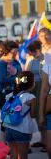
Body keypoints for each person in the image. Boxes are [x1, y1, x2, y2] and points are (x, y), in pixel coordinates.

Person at [3, 71, 37, 159]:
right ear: (31, 84)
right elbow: (33, 115)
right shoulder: (31, 97)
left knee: (13, 154)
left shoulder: (10, 95)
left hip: (9, 127)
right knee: (23, 156)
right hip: (23, 129)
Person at [26, 40, 46, 151]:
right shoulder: (32, 61)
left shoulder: (46, 59)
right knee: (36, 114)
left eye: (32, 52)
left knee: (42, 112)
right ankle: (43, 140)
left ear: (37, 50)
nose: (31, 55)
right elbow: (28, 74)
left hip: (42, 87)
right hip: (33, 88)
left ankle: (45, 140)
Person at [0, 40, 22, 108]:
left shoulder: (15, 62)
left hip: (17, 94)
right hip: (4, 96)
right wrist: (19, 79)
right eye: (14, 52)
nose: (16, 54)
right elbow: (2, 79)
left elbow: (20, 75)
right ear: (7, 51)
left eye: (17, 51)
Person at [38, 27, 51, 157]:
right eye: (42, 36)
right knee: (49, 147)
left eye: (46, 35)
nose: (45, 38)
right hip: (50, 101)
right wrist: (41, 113)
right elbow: (44, 89)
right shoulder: (46, 56)